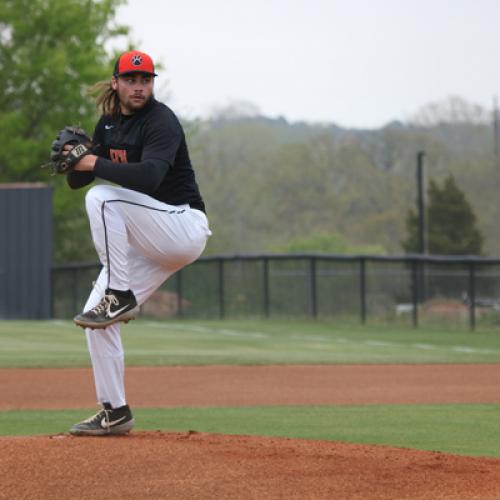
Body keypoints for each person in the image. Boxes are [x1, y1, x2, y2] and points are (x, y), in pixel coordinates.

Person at [66, 50, 211, 436]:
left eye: (145, 79)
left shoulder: (161, 121)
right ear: (116, 82)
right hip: (151, 241)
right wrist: (75, 161)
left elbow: (147, 179)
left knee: (102, 198)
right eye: (131, 79)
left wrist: (93, 165)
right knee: (95, 318)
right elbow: (77, 180)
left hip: (183, 226)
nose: (138, 86)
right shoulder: (109, 124)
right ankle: (115, 411)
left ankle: (119, 292)